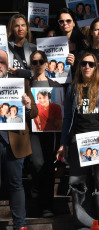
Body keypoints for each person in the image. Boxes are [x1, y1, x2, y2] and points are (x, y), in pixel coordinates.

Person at [56, 52, 99, 229]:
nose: (87, 67)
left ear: (96, 67)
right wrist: (63, 142)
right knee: (78, 184)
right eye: (83, 64)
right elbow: (68, 117)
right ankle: (86, 224)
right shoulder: (73, 87)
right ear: (79, 66)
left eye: (91, 64)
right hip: (79, 141)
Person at [0, 48, 38, 230]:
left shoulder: (21, 83)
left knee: (16, 184)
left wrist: (28, 106)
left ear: (8, 66)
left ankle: (20, 225)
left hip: (15, 142)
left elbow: (34, 113)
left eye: (2, 62)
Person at [29, 50, 62, 218]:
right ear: (30, 64)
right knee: (37, 164)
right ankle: (37, 203)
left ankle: (47, 206)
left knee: (49, 166)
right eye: (34, 62)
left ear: (46, 63)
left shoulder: (55, 86)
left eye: (41, 61)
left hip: (50, 133)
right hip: (32, 133)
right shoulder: (26, 85)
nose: (37, 65)